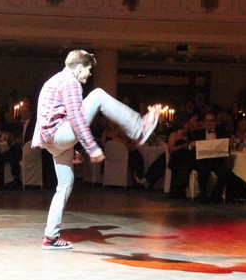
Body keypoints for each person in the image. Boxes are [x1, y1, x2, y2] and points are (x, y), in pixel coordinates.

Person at [32, 50, 159, 250]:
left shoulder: (55, 80)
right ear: (79, 67)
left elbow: (55, 116)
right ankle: (138, 128)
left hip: (50, 140)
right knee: (98, 95)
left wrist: (69, 147)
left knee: (65, 184)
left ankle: (50, 237)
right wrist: (91, 147)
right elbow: (76, 118)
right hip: (58, 134)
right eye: (88, 69)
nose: (90, 74)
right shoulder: (70, 82)